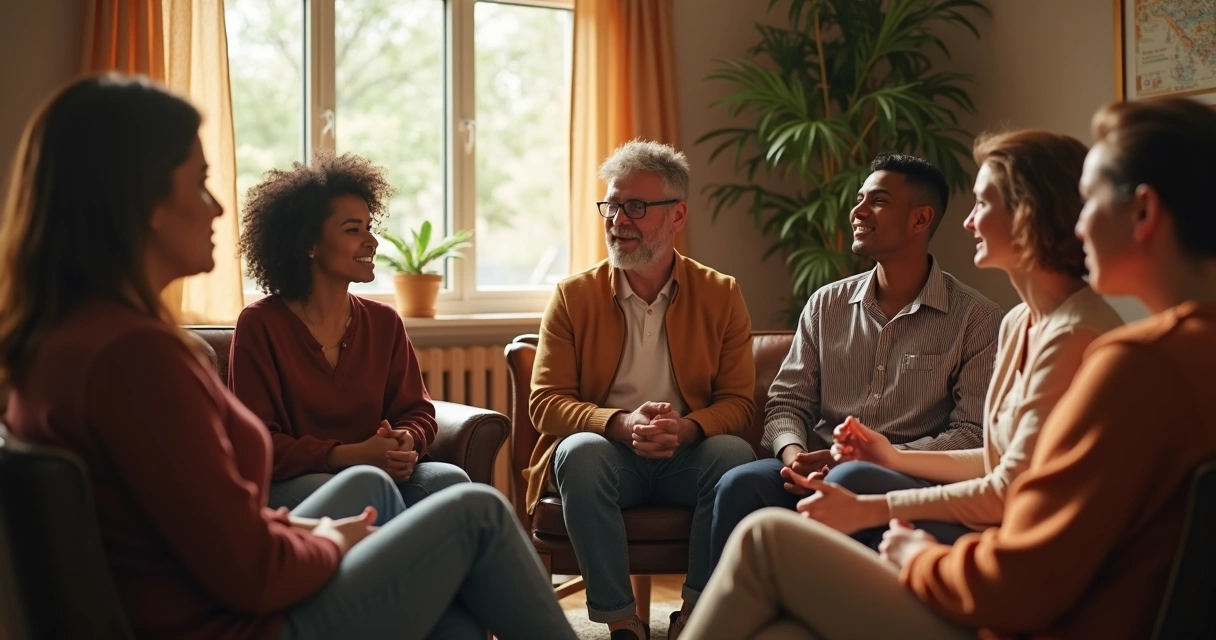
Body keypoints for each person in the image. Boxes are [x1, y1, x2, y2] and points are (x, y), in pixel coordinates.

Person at [0, 74, 576, 640]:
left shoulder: (65, 338)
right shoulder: (134, 358)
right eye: (200, 182)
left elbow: (210, 526)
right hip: (234, 623)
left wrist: (339, 512)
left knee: (402, 534)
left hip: (208, 593)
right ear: (144, 196)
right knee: (476, 513)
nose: (218, 207)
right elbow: (250, 570)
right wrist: (328, 540)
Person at [681, 97, 1216, 640]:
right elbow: (1012, 481)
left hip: (1030, 618)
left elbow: (1022, 572)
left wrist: (915, 553)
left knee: (767, 539)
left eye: (1090, 199)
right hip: (1034, 595)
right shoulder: (1144, 350)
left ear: (1143, 213)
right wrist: (873, 459)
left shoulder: (1132, 363)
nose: (1077, 223)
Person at [791, 130, 1124, 547]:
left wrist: (874, 507)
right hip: (994, 524)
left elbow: (1008, 492)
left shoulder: (1075, 333)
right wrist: (890, 455)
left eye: (983, 204)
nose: (967, 221)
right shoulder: (1018, 320)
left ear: (1029, 214)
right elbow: (994, 461)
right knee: (772, 525)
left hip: (1032, 545)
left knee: (845, 487)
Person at [710, 153, 1001, 564]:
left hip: (907, 479)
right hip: (820, 468)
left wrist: (874, 456)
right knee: (739, 484)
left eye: (877, 201)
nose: (857, 211)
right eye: (860, 198)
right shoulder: (825, 305)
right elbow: (785, 404)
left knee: (853, 475)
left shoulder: (978, 319)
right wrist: (796, 459)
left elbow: (973, 434)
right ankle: (712, 615)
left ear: (920, 220)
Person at [528, 140, 757, 640]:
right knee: (579, 453)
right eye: (611, 205)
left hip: (687, 456)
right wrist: (619, 423)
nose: (617, 220)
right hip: (611, 455)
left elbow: (739, 404)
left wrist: (689, 428)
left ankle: (694, 616)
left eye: (635, 207)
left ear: (677, 216)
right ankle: (621, 623)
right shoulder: (574, 295)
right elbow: (544, 402)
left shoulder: (721, 293)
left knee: (734, 455)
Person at [229, 152, 468, 510]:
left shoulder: (384, 322)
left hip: (375, 473)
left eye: (369, 227)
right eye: (353, 230)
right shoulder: (260, 325)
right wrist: (349, 456)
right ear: (308, 244)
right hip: (294, 481)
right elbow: (257, 441)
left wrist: (407, 441)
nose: (371, 241)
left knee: (453, 483)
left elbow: (418, 410)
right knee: (367, 487)